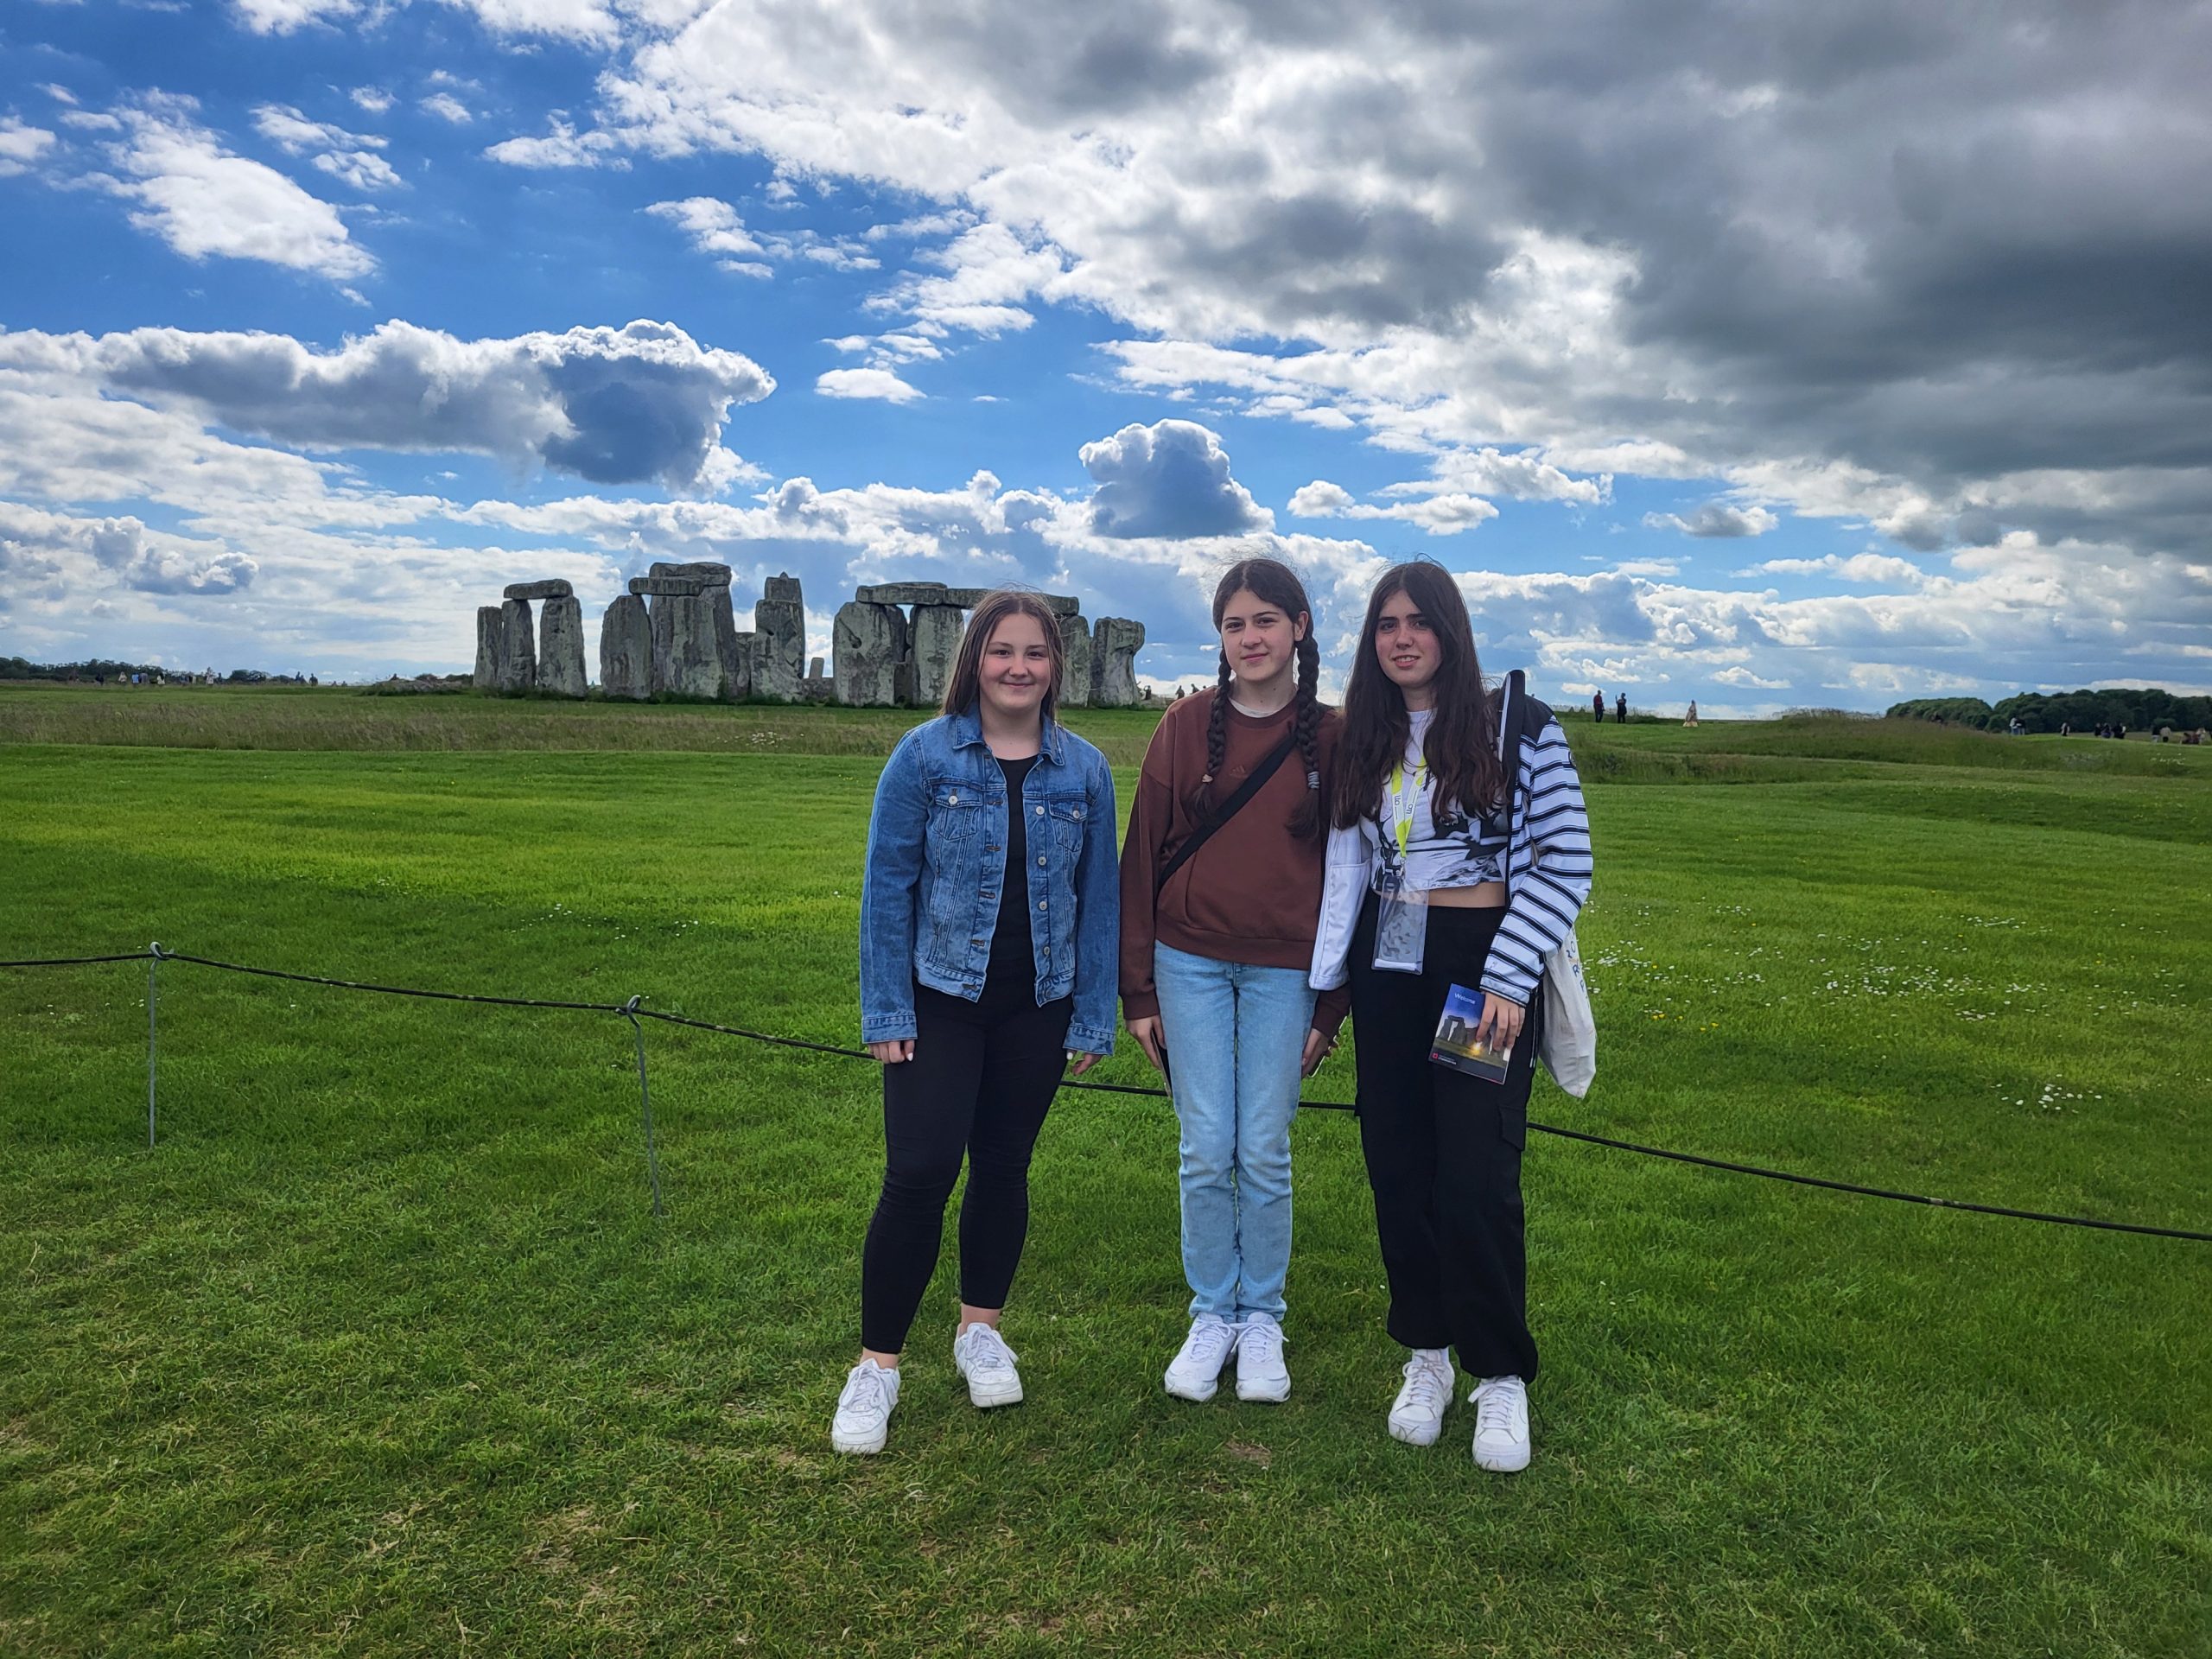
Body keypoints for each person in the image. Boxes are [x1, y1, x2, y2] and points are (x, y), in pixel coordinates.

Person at [1311, 563, 1592, 1474]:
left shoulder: (1519, 725)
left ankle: (1498, 1371)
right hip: (1391, 968)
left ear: (1450, 630)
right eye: (1386, 624)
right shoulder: (1366, 732)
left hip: (1477, 972)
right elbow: (1350, 866)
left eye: (1419, 622)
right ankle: (1426, 1354)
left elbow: (1562, 861)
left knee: (1473, 1172)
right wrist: (1328, 991)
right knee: (1399, 1165)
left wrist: (1509, 977)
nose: (1402, 639)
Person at [835, 590, 1121, 1455]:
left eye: (1035, 652)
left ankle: (979, 1331)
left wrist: (1091, 1014)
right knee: (919, 1172)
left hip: (1038, 1003)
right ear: (974, 661)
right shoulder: (924, 757)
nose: (1018, 667)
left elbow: (1099, 901)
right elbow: (887, 887)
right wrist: (886, 1007)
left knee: (1003, 1168)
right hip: (939, 1000)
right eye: (1002, 651)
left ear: (1055, 666)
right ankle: (877, 1366)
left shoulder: (1085, 771)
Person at [1120, 556, 1347, 1407]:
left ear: (1299, 628)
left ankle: (1263, 1319)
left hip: (1288, 969)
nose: (1250, 638)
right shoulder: (1184, 726)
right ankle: (1212, 1312)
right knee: (1205, 1148)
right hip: (1189, 962)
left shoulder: (1335, 738)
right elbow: (1140, 858)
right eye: (1233, 624)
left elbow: (1355, 880)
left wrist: (1333, 1006)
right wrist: (1138, 991)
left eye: (1265, 621)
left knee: (1263, 1149)